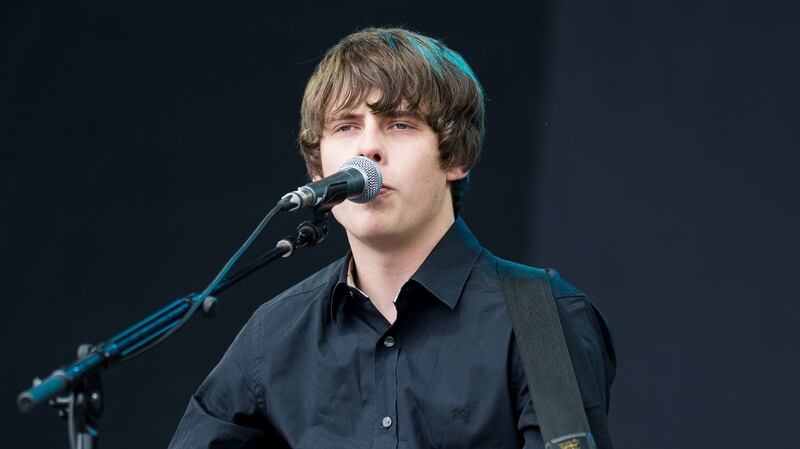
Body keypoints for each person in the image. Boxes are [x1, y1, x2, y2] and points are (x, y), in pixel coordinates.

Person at [168, 26, 616, 449]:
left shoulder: (541, 316)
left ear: (457, 154)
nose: (368, 148)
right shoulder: (273, 336)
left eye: (400, 124)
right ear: (318, 171)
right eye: (345, 126)